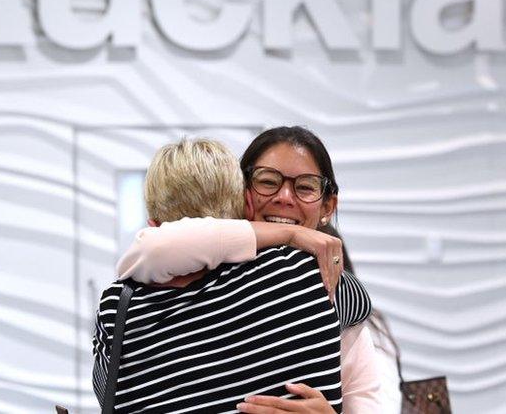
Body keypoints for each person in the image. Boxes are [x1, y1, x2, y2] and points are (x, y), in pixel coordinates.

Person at [116, 126, 400, 411]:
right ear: (244, 194)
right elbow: (153, 248)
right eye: (268, 181)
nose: (285, 197)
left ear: (328, 206)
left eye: (305, 187)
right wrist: (290, 235)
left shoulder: (330, 287)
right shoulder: (319, 283)